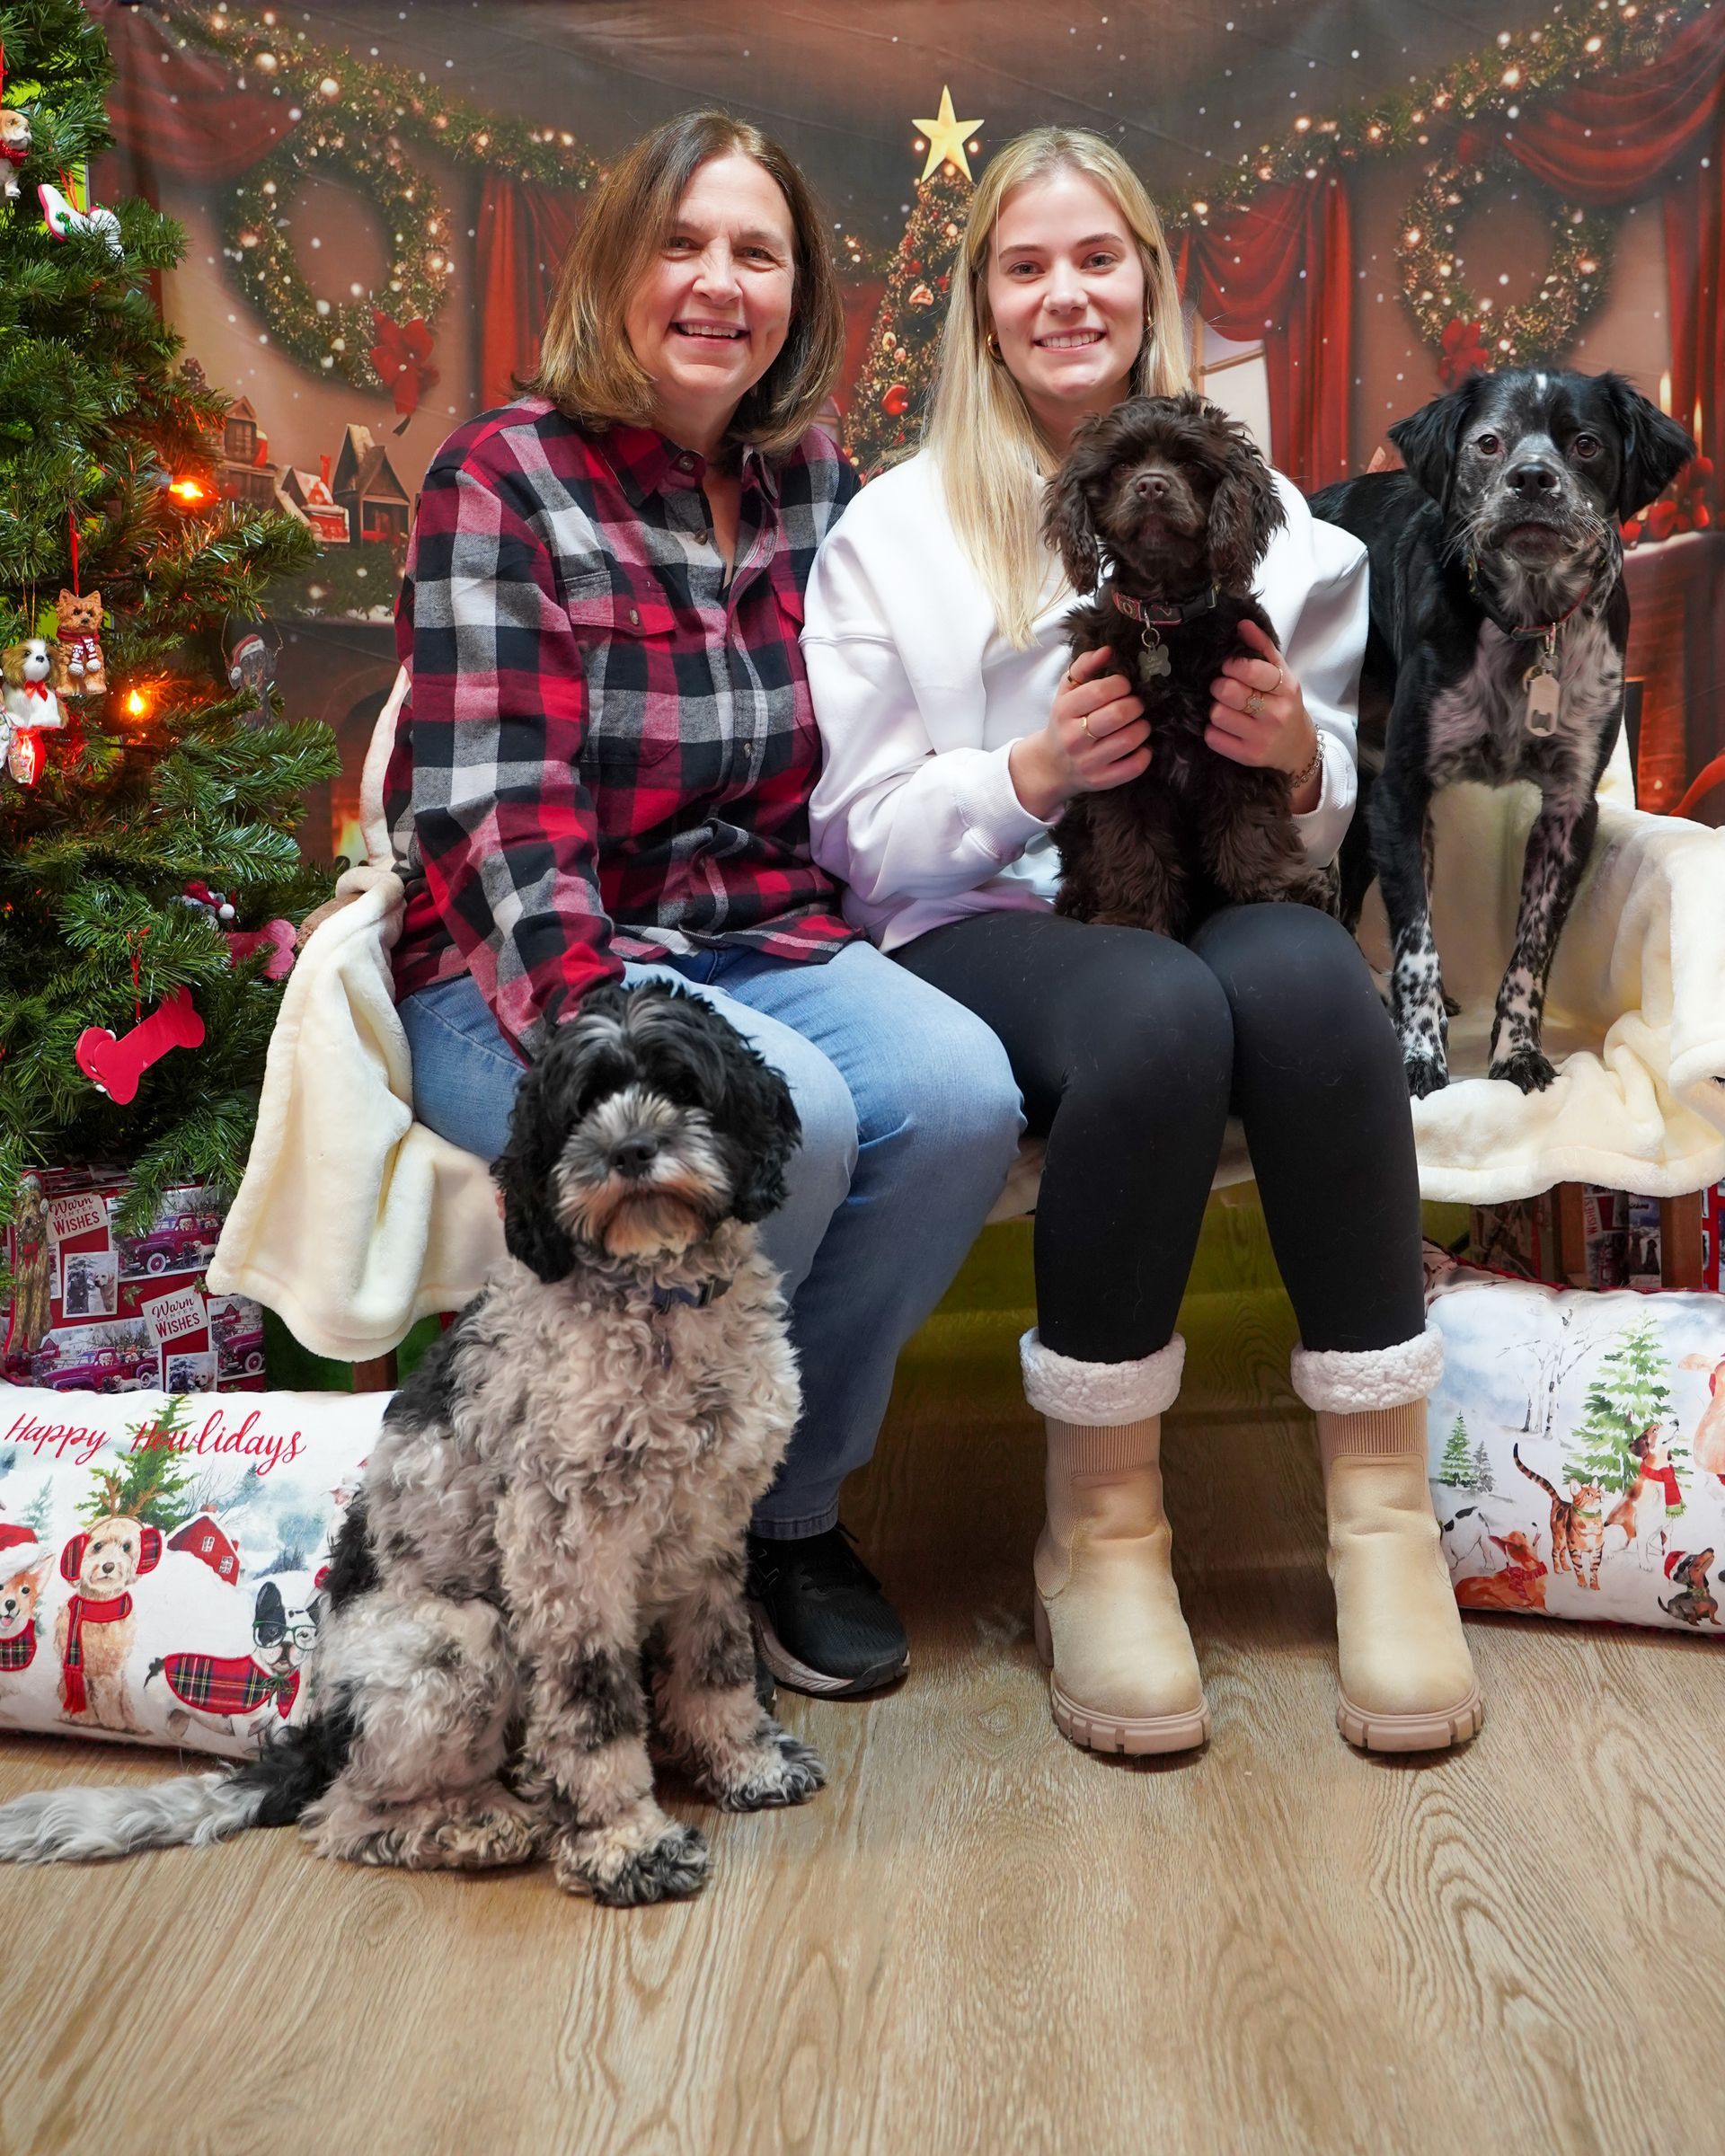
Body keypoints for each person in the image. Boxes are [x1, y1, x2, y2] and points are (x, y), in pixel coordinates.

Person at [803, 127, 1482, 1756]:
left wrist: (1301, 759)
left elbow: (1312, 838)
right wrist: (1025, 774)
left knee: (1318, 986)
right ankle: (1102, 1534)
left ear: (1152, 280)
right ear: (979, 305)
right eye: (1024, 267)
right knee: (1160, 1015)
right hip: (978, 929)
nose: (1064, 295)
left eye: (1096, 257)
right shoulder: (893, 531)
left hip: (1212, 886)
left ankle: (1382, 1521)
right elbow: (850, 836)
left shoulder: (1289, 540)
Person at [385, 110, 1024, 1700]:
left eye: (758, 253)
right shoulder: (503, 475)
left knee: (959, 1095)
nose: (719, 283)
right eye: (683, 243)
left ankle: (783, 1512)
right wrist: (620, 1046)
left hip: (758, 929)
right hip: (526, 962)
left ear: (801, 295)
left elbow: (889, 731)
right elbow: (490, 817)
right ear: (616, 265)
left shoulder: (819, 483)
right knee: (771, 1117)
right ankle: (650, 1545)